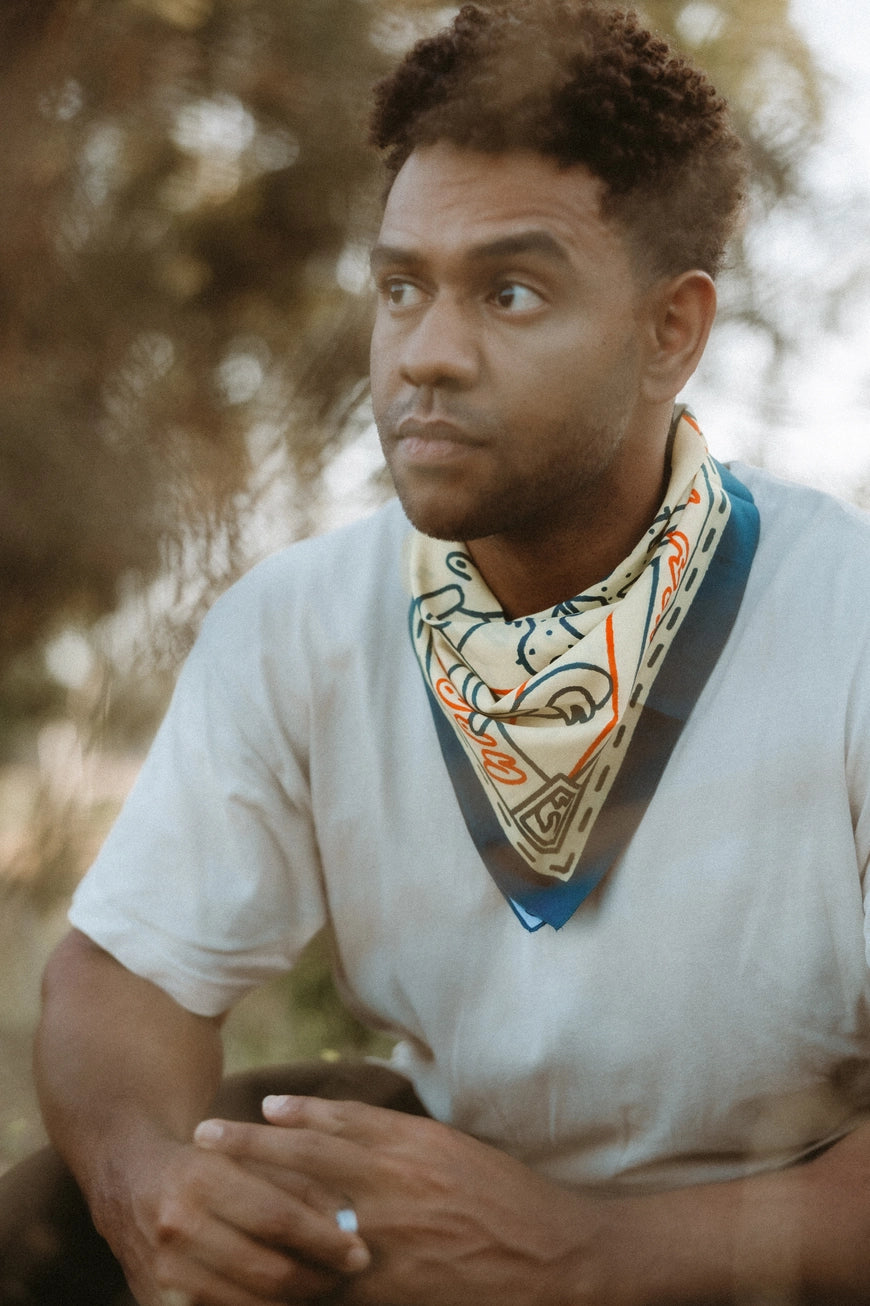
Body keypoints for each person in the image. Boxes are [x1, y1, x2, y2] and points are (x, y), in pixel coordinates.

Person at [6, 1, 870, 1302]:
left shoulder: (843, 620)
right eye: (401, 286)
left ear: (668, 334)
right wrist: (154, 1191)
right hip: (450, 1208)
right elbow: (123, 974)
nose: (424, 356)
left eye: (509, 291)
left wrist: (590, 1256)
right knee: (52, 1216)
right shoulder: (297, 621)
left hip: (774, 1235)